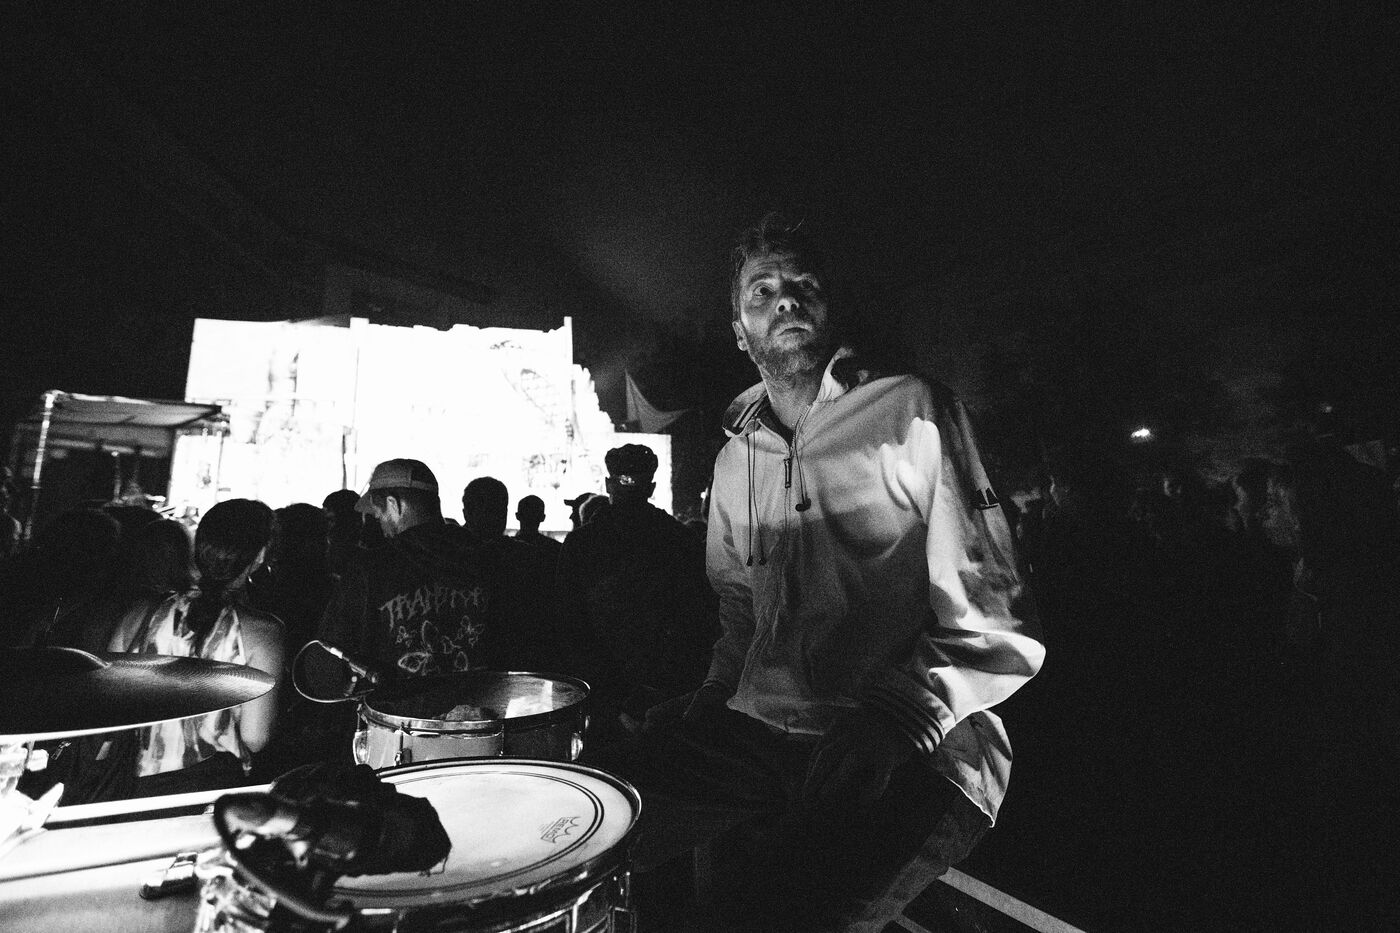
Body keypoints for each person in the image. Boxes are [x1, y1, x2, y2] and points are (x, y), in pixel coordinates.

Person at [586, 214, 1044, 932]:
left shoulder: (913, 411)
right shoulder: (735, 459)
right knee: (585, 823)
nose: (786, 299)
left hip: (916, 747)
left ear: (832, 308)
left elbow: (997, 619)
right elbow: (742, 608)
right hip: (759, 736)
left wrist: (898, 720)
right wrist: (713, 694)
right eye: (762, 290)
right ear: (740, 332)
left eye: (803, 284)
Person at [106, 498, 285, 796]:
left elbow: (108, 710)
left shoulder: (138, 614)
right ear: (261, 555)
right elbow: (256, 738)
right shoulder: (263, 633)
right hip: (208, 791)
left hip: (130, 787)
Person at [556, 444, 716, 744]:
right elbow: (697, 623)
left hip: (599, 697)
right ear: (651, 488)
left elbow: (569, 627)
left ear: (608, 484)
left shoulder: (581, 544)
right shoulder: (680, 540)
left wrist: (608, 697)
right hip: (665, 697)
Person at [317, 459, 495, 678]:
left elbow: (328, 658)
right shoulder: (487, 557)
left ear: (394, 504)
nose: (378, 521)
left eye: (377, 513)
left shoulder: (370, 569)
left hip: (398, 700)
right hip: (481, 697)